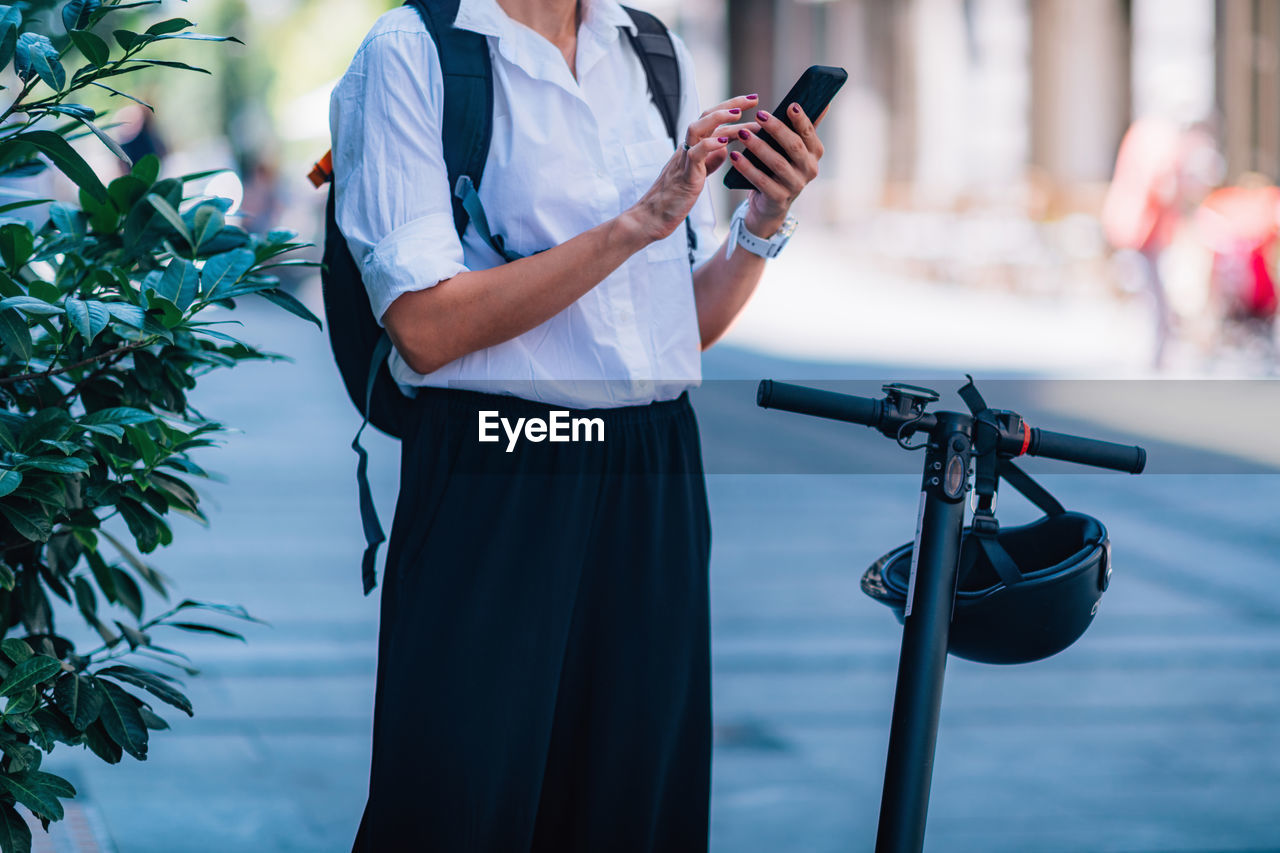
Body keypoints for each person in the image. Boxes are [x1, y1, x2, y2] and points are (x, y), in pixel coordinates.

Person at [330, 0, 826, 849]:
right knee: (461, 799)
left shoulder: (652, 49)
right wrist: (635, 223)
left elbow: (676, 326)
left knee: (635, 798)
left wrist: (761, 224)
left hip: (653, 464)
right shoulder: (415, 52)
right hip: (503, 458)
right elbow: (423, 325)